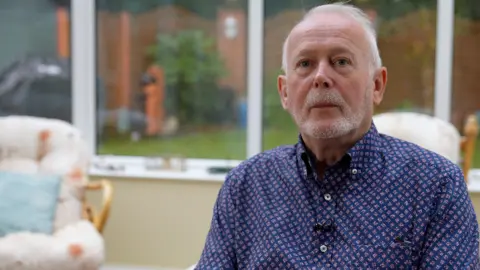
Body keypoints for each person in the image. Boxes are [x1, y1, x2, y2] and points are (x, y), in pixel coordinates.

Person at [195, 3, 480, 269]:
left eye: (341, 62)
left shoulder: (436, 187)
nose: (321, 77)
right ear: (284, 92)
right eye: (305, 64)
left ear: (377, 85)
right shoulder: (244, 188)